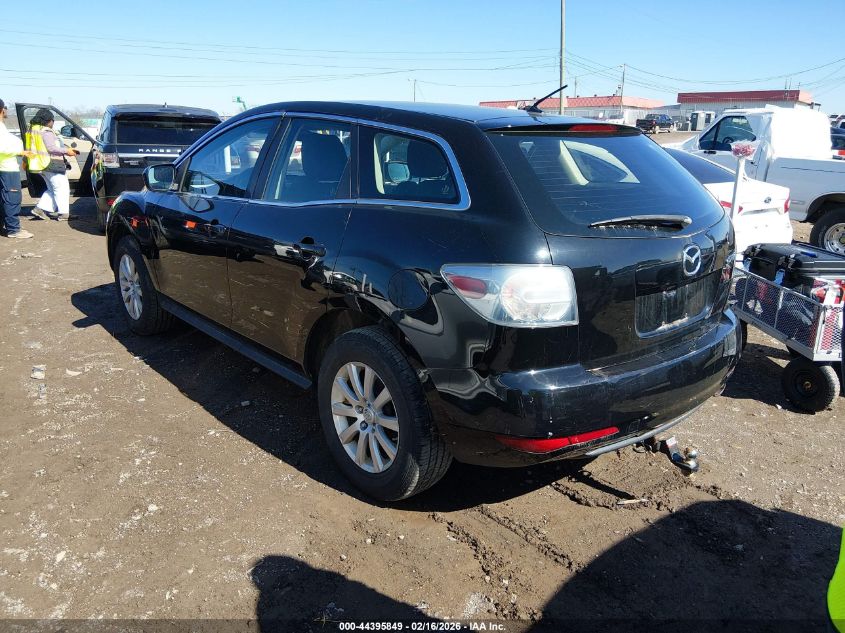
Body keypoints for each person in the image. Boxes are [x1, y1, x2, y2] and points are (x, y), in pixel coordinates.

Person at [25, 108, 77, 221]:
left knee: (52, 189)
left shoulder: (32, 130)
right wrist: (67, 151)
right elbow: (51, 148)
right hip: (51, 163)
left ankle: (39, 209)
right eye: (52, 120)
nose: (52, 123)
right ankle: (63, 214)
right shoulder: (46, 131)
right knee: (62, 188)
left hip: (40, 164)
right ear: (49, 120)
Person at [0, 98, 35, 239]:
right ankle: (13, 229)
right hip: (6, 168)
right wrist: (21, 152)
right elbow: (2, 146)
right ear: (2, 110)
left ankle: (7, 225)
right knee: (12, 198)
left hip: (4, 166)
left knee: (4, 198)